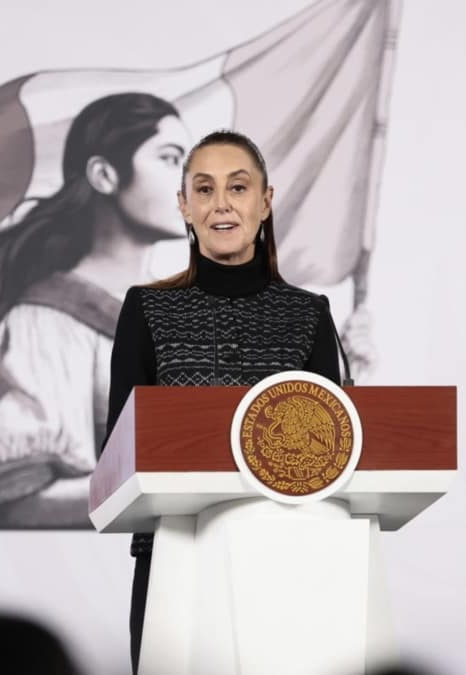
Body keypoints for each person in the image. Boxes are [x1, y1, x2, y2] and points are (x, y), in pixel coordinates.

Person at [103, 129, 344, 672]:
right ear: (184, 207)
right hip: (173, 562)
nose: (222, 205)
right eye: (204, 190)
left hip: (288, 564)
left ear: (266, 201)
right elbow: (117, 454)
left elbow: (333, 454)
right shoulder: (146, 309)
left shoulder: (309, 314)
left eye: (238, 187)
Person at [0, 93, 192, 529]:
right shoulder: (47, 321)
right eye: (171, 160)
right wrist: (180, 490)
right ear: (104, 175)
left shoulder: (181, 317)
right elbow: (19, 502)